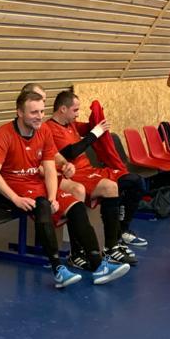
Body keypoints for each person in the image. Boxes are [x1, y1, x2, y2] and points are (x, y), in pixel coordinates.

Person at [0, 84, 129, 287]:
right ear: (20, 113)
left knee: (76, 207)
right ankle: (58, 269)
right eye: (33, 112)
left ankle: (98, 265)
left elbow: (50, 168)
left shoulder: (43, 130)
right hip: (13, 186)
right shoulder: (4, 134)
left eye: (41, 112)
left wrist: (54, 196)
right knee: (42, 204)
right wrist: (15, 198)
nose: (39, 117)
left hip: (36, 183)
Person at [42, 88, 145, 266]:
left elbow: (89, 126)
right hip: (75, 174)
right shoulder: (50, 128)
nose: (77, 114)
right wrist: (95, 133)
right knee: (111, 187)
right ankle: (109, 247)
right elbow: (71, 152)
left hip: (89, 170)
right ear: (63, 109)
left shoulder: (70, 124)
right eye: (75, 110)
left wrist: (97, 116)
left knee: (135, 182)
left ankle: (119, 235)